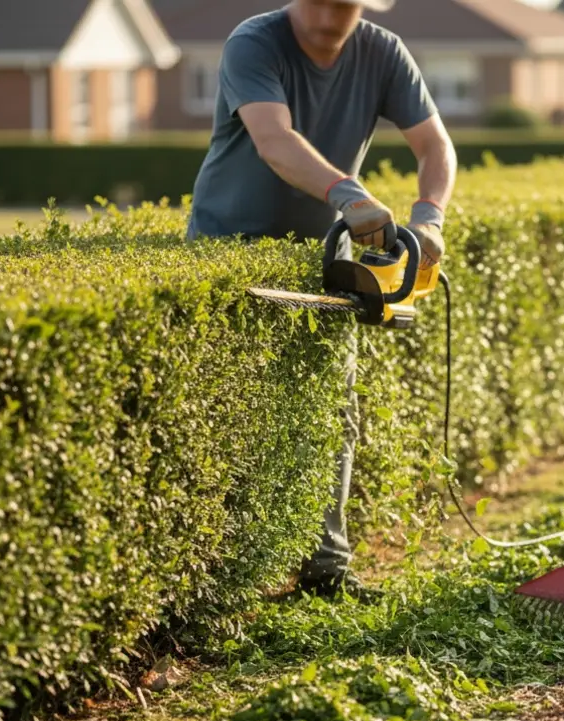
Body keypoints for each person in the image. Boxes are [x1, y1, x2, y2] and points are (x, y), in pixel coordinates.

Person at [185, 0, 458, 599]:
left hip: (321, 258)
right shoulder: (254, 42)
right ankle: (217, 584)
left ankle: (326, 572)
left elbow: (434, 145)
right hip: (228, 253)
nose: (333, 11)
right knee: (232, 417)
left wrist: (430, 219)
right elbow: (273, 139)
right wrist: (348, 193)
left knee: (334, 414)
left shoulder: (382, 51)